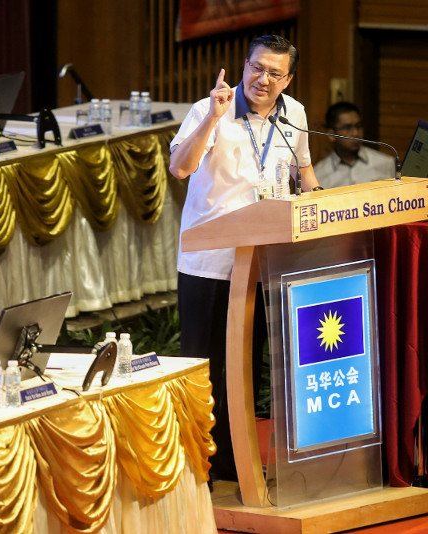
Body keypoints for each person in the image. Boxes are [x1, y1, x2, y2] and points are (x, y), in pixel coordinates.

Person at [168, 35, 322, 480]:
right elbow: (180, 167)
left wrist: (320, 203)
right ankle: (196, 466)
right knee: (205, 369)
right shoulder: (208, 108)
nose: (262, 78)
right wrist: (213, 119)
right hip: (209, 262)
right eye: (257, 67)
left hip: (264, 263)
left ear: (288, 79)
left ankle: (236, 466)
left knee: (247, 368)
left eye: (274, 73)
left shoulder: (294, 113)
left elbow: (303, 169)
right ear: (244, 65)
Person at [313, 101, 396, 188]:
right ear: (331, 135)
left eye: (358, 126)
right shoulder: (318, 175)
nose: (355, 133)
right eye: (347, 128)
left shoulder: (386, 163)